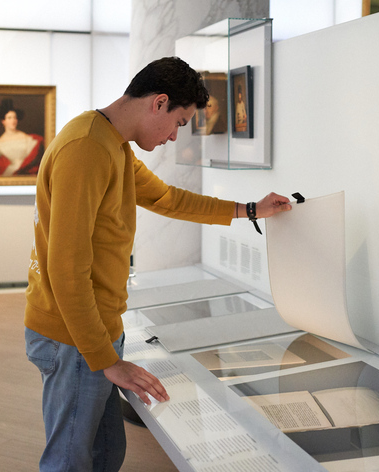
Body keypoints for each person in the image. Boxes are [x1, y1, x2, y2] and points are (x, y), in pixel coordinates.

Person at [24, 56, 291, 471]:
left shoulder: (110, 143)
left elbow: (168, 199)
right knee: (70, 463)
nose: (173, 136)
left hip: (93, 330)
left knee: (105, 454)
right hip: (72, 336)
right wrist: (107, 360)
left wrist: (250, 209)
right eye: (179, 122)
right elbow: (65, 267)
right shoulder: (87, 148)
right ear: (159, 102)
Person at [0, 98, 44, 176]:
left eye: (14, 117)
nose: (13, 120)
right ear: (3, 121)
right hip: (10, 173)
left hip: (28, 172)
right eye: (9, 118)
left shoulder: (27, 138)